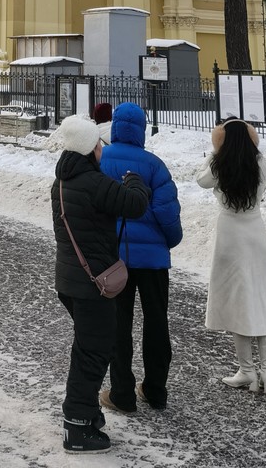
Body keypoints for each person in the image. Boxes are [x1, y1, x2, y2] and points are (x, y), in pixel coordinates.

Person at [52, 114, 150, 454]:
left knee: (90, 347)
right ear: (88, 147)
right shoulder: (93, 183)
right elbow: (135, 204)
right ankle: (77, 427)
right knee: (93, 353)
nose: (100, 148)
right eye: (97, 143)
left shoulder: (63, 180)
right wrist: (135, 179)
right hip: (92, 285)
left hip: (70, 280)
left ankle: (87, 413)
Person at [98, 102, 182, 414]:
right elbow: (168, 215)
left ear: (115, 127)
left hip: (114, 257)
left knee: (118, 324)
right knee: (157, 322)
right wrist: (168, 243)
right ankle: (155, 389)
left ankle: (121, 392)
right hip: (153, 262)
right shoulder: (154, 166)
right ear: (142, 130)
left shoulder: (101, 161)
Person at [197, 119, 266, 395]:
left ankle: (247, 370)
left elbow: (201, 179)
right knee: (259, 297)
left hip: (229, 233)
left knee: (236, 301)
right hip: (255, 231)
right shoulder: (261, 163)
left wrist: (215, 152)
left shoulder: (220, 165)